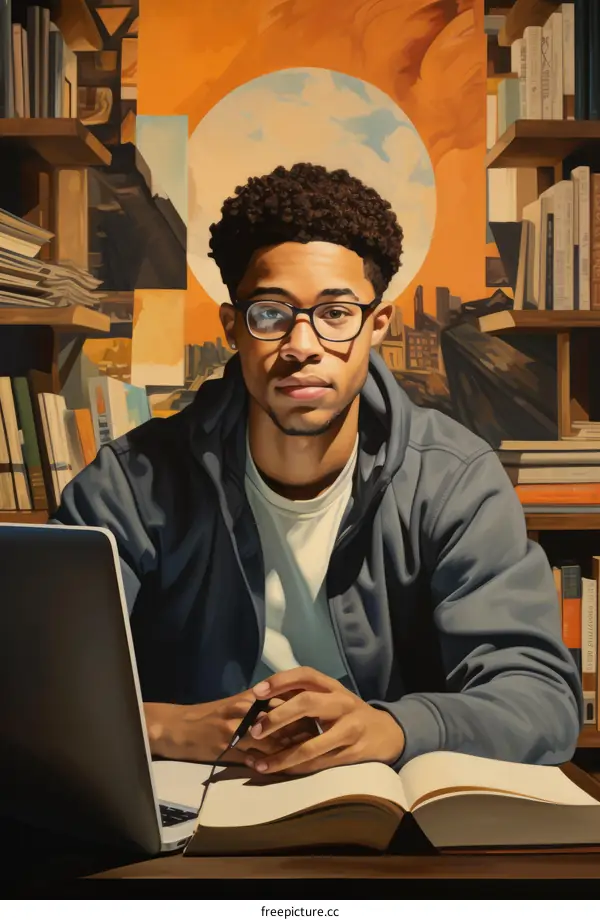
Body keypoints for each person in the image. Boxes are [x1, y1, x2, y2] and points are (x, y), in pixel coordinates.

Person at [53, 162, 582, 776]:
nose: (302, 346)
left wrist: (394, 728)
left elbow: (541, 700)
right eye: (271, 313)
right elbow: (35, 676)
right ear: (233, 328)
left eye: (335, 313)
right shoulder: (131, 484)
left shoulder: (454, 481)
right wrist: (168, 726)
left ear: (376, 326)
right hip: (195, 810)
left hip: (386, 813)